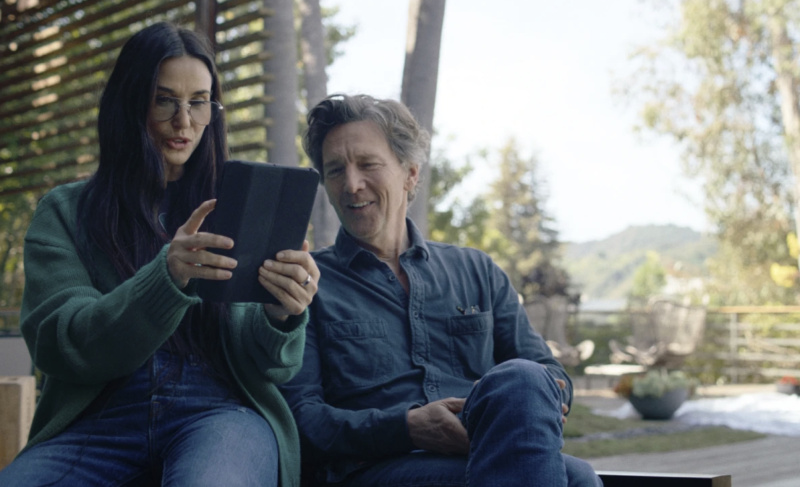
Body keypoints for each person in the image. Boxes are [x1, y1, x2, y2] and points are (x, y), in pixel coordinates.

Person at [0, 23, 319, 487]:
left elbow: (276, 365)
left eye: (199, 102)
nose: (184, 122)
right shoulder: (66, 213)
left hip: (220, 413)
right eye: (164, 99)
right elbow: (60, 345)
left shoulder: (236, 210)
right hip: (97, 419)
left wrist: (281, 313)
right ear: (131, 104)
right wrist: (165, 279)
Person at [279, 94, 603, 487]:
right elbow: (302, 417)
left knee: (526, 383)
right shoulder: (308, 284)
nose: (351, 184)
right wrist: (406, 427)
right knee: (576, 478)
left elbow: (550, 374)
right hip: (374, 470)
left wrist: (526, 405)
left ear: (410, 174)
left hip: (487, 452)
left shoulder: (477, 271)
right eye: (335, 170)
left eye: (368, 164)